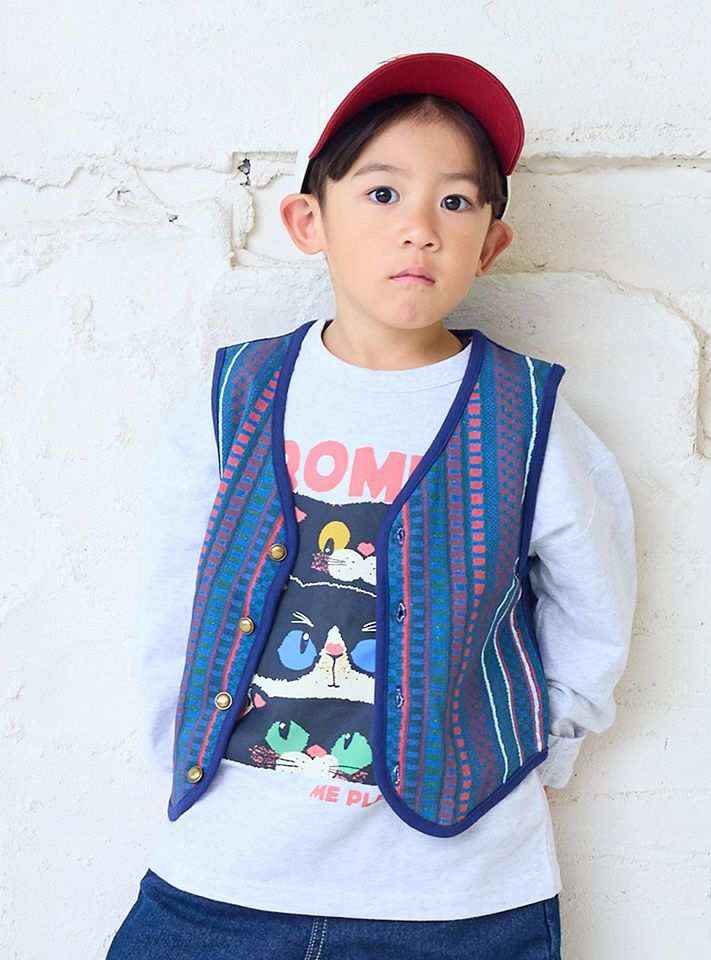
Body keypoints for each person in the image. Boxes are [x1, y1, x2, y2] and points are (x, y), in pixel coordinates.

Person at [105, 52, 637, 960]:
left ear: (491, 244)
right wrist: (177, 746)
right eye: (383, 194)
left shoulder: (528, 414)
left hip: (462, 895)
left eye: (456, 202)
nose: (419, 229)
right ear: (309, 221)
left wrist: (534, 749)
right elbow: (172, 594)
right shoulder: (234, 396)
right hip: (229, 873)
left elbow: (595, 596)